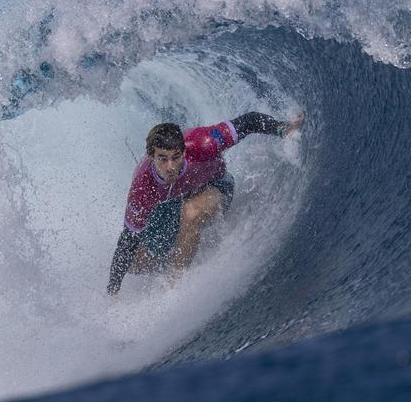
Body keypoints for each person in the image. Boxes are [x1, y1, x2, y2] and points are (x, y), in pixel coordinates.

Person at [107, 110, 304, 296]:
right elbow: (126, 242)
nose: (170, 167)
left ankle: (172, 286)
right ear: (152, 157)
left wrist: (284, 129)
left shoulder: (203, 142)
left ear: (184, 151)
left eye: (176, 157)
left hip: (214, 186)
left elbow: (249, 121)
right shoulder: (143, 187)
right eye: (162, 159)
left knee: (191, 212)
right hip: (169, 205)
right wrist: (112, 294)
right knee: (134, 263)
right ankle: (178, 251)